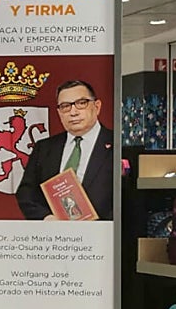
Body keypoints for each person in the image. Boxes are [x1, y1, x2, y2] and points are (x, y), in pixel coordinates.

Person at [15, 79, 113, 221]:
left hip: (104, 235)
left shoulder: (117, 144)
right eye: (65, 106)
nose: (73, 112)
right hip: (55, 237)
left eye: (81, 103)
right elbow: (26, 194)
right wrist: (46, 218)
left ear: (97, 107)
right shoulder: (44, 148)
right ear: (59, 112)